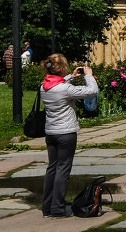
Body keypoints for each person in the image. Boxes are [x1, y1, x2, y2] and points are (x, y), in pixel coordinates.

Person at [40, 54, 99, 218]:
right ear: (63, 67)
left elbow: (58, 85)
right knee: (63, 170)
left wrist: (70, 77)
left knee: (52, 168)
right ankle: (58, 209)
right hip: (66, 134)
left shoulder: (44, 86)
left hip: (51, 133)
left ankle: (47, 207)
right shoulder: (65, 89)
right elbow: (91, 91)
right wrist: (89, 76)